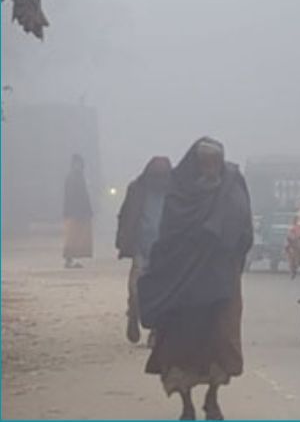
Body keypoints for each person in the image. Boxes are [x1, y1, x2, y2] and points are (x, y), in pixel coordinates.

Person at [137, 138, 252, 421]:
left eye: (216, 162)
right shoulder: (179, 193)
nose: (211, 169)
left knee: (220, 339)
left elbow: (244, 231)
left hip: (220, 280)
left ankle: (212, 399)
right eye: (205, 162)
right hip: (183, 283)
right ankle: (186, 403)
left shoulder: (232, 186)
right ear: (195, 163)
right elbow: (167, 238)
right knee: (179, 343)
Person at [116, 156, 172, 346]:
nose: (159, 180)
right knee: (136, 291)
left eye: (163, 176)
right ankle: (133, 313)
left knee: (161, 294)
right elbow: (125, 216)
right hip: (142, 249)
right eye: (156, 176)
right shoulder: (137, 190)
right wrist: (124, 241)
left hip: (165, 253)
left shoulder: (175, 193)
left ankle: (156, 331)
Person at [62, 154, 93, 269]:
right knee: (72, 237)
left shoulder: (78, 177)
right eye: (77, 164)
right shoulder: (73, 178)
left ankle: (72, 259)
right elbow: (72, 197)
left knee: (77, 237)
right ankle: (69, 260)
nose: (79, 166)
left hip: (77, 212)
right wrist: (77, 211)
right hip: (73, 212)